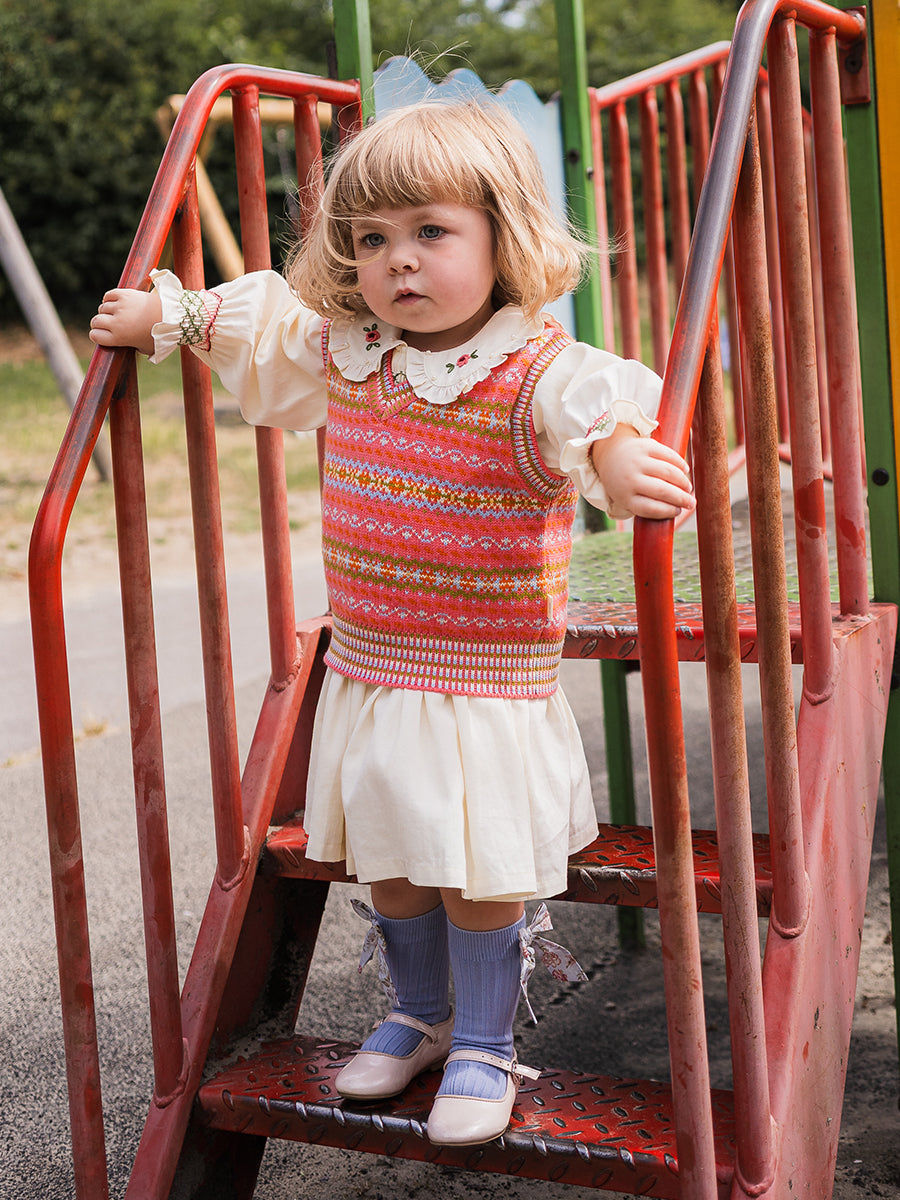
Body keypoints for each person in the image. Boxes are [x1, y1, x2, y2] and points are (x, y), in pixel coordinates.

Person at [90, 99, 695, 1147]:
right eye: (371, 240)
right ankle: (419, 1015)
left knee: (478, 872)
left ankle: (486, 1043)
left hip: (482, 681)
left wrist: (615, 457)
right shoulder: (349, 350)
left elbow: (593, 418)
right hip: (376, 667)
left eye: (430, 232)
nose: (398, 261)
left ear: (504, 238)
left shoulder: (537, 369)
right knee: (395, 860)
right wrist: (165, 318)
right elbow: (260, 329)